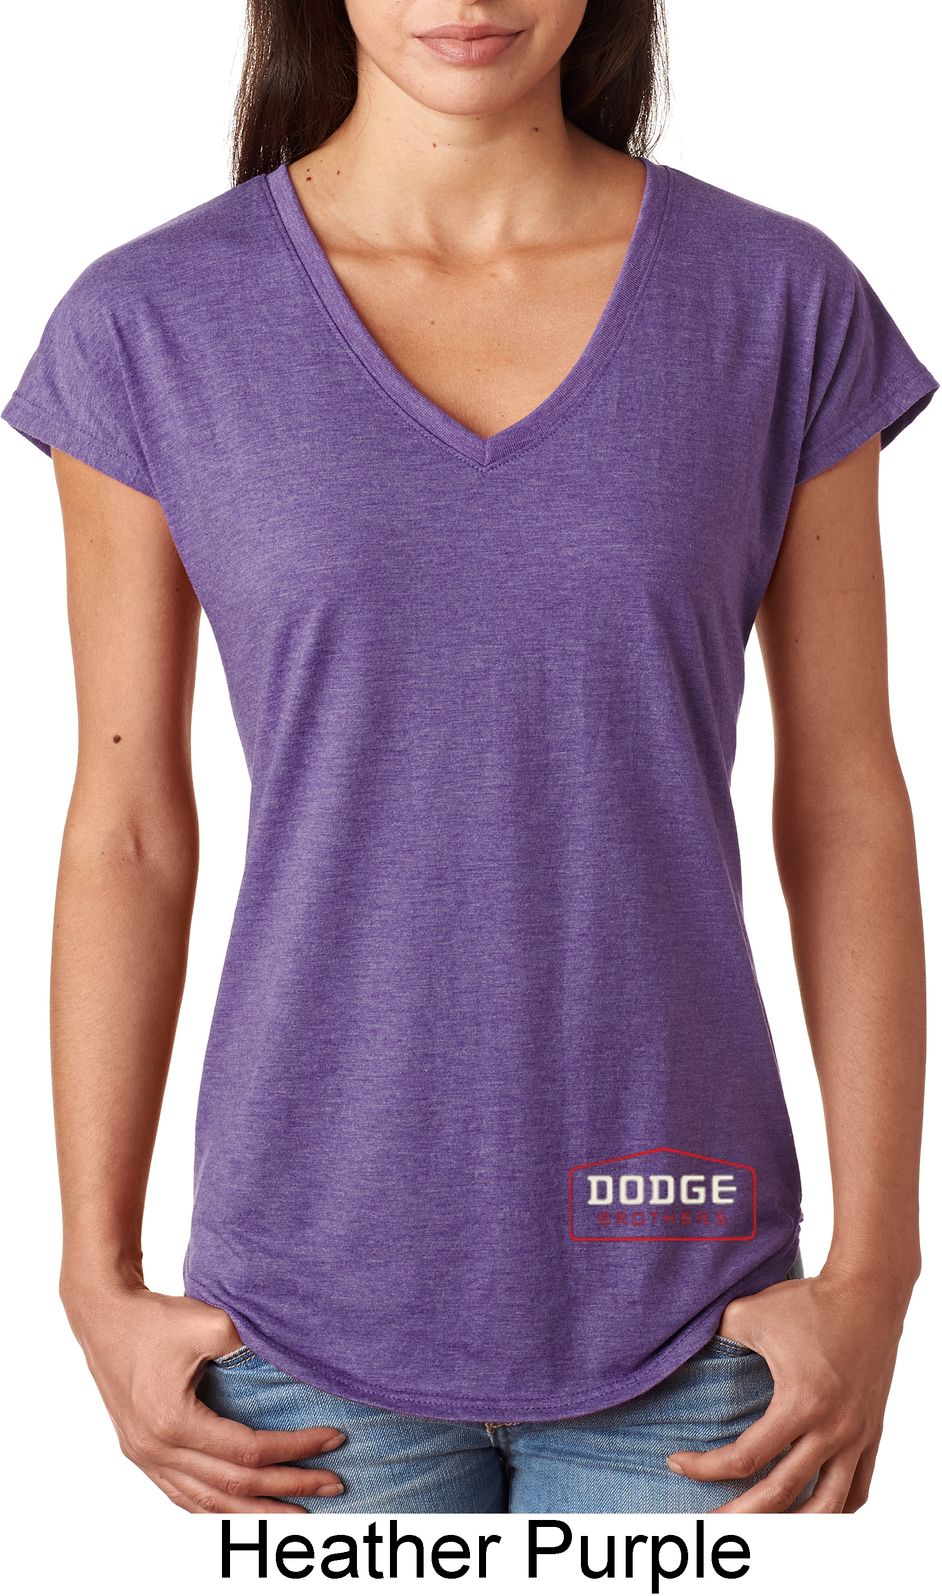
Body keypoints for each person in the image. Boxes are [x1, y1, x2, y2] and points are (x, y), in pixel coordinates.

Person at [3, 0, 936, 1517]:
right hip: (293, 1328)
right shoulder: (150, 324)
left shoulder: (776, 302)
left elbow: (845, 804)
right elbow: (128, 827)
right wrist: (92, 1279)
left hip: (696, 1306)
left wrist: (878, 1271)